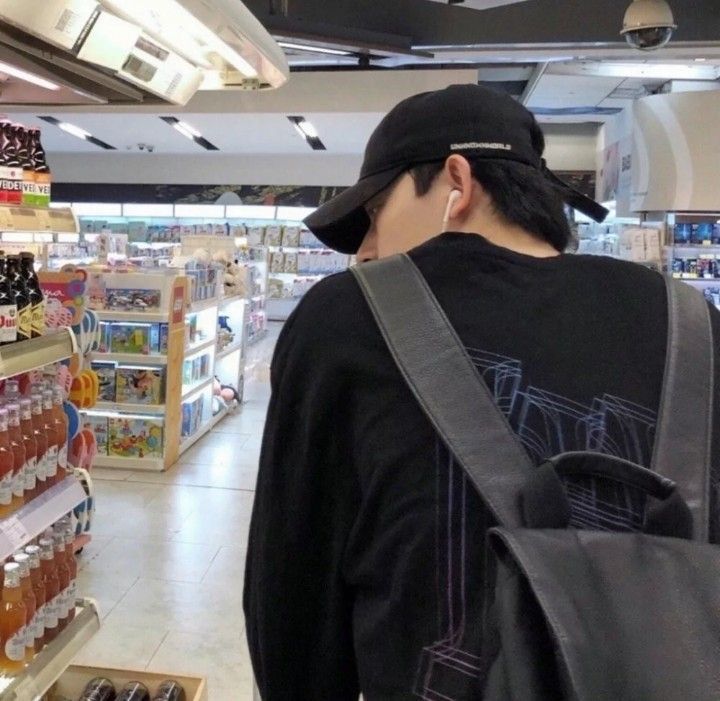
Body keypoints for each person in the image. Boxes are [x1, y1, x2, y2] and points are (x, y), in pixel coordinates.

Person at [244, 84, 720, 700]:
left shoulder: (346, 318)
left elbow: (294, 588)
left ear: (456, 184)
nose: (365, 248)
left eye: (375, 214)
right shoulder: (694, 324)